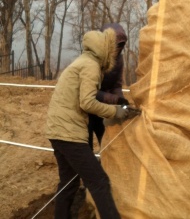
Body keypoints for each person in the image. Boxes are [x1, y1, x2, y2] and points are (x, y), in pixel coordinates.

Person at [46, 29, 128, 219]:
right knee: (99, 181)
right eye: (113, 51)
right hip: (69, 133)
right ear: (106, 50)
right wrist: (116, 112)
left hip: (57, 130)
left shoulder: (83, 61)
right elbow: (87, 102)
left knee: (69, 182)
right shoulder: (90, 65)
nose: (115, 56)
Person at [88, 23, 129, 150]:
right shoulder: (93, 60)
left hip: (102, 107)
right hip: (86, 106)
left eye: (120, 46)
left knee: (105, 139)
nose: (118, 49)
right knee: (85, 142)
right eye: (116, 45)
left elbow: (116, 84)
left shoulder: (119, 60)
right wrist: (113, 99)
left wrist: (121, 102)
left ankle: (105, 164)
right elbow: (90, 91)